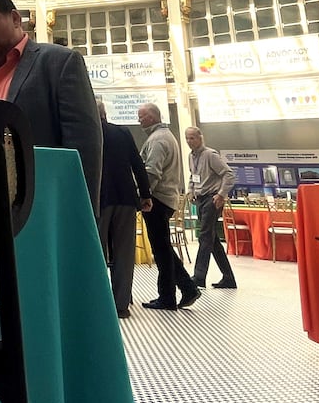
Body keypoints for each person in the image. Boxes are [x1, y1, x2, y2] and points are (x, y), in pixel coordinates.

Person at [0, 0, 102, 212]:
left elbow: (84, 146)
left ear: (15, 18)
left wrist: (79, 213)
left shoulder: (60, 63)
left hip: (42, 207)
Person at [137, 103, 200, 311]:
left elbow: (152, 172)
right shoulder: (167, 136)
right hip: (167, 198)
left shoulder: (157, 140)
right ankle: (188, 287)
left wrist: (144, 196)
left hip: (158, 200)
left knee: (161, 251)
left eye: (142, 117)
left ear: (153, 117)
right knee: (164, 249)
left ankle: (167, 297)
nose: (139, 121)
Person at [96, 102, 150, 319]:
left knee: (97, 252)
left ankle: (98, 301)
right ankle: (121, 304)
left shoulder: (88, 133)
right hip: (126, 199)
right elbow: (137, 164)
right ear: (106, 114)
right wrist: (145, 194)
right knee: (124, 253)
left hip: (99, 199)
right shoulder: (123, 132)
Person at [185, 126, 237, 291]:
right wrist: (190, 190)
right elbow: (193, 176)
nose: (189, 141)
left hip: (211, 199)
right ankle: (228, 277)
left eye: (192, 137)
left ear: (200, 138)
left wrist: (221, 194)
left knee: (205, 236)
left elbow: (228, 174)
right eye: (187, 138)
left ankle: (199, 276)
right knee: (212, 240)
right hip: (200, 199)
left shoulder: (210, 155)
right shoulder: (191, 157)